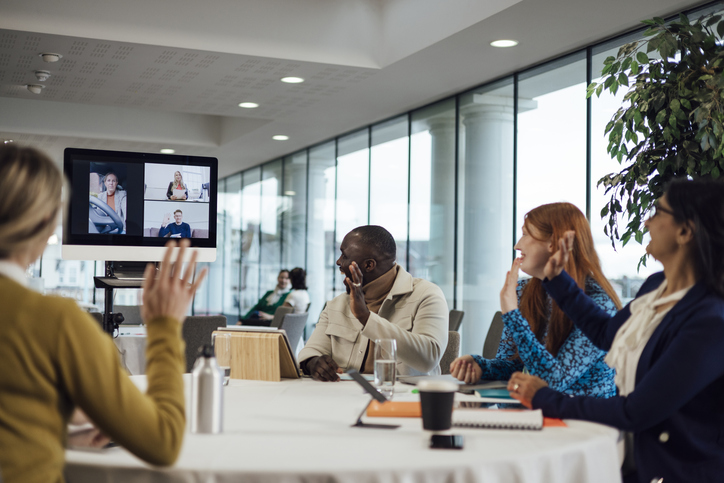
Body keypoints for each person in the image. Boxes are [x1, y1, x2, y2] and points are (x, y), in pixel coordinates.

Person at [0, 145, 207, 483]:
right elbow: (163, 441)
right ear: (44, 221)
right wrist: (165, 328)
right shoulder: (53, 321)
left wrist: (54, 435)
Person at [508, 179, 724, 483]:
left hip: (679, 473)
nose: (647, 221)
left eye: (658, 213)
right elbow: (606, 334)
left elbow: (635, 411)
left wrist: (543, 398)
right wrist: (556, 279)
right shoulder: (655, 288)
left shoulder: (710, 322)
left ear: (685, 232)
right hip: (635, 461)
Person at [450, 203, 621, 397]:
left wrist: (512, 316)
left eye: (525, 235)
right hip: (534, 415)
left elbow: (551, 382)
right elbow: (518, 368)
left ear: (552, 242)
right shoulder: (526, 290)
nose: (517, 245)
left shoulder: (598, 304)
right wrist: (481, 366)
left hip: (585, 422)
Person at [299, 225, 448, 381]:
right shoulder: (337, 304)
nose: (338, 261)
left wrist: (365, 317)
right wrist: (313, 362)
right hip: (343, 396)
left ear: (368, 265)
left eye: (344, 255)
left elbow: (428, 359)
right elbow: (310, 351)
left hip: (401, 397)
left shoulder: (426, 294)